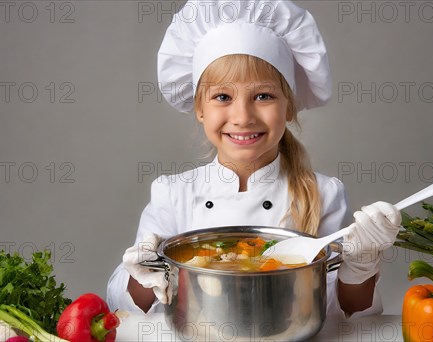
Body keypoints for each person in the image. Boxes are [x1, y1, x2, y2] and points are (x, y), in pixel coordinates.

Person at [107, 0, 401, 321]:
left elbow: (344, 315)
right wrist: (143, 273)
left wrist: (360, 266)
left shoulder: (325, 193)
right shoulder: (173, 194)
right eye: (223, 97)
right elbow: (124, 306)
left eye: (263, 96)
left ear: (289, 107)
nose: (242, 117)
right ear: (200, 109)